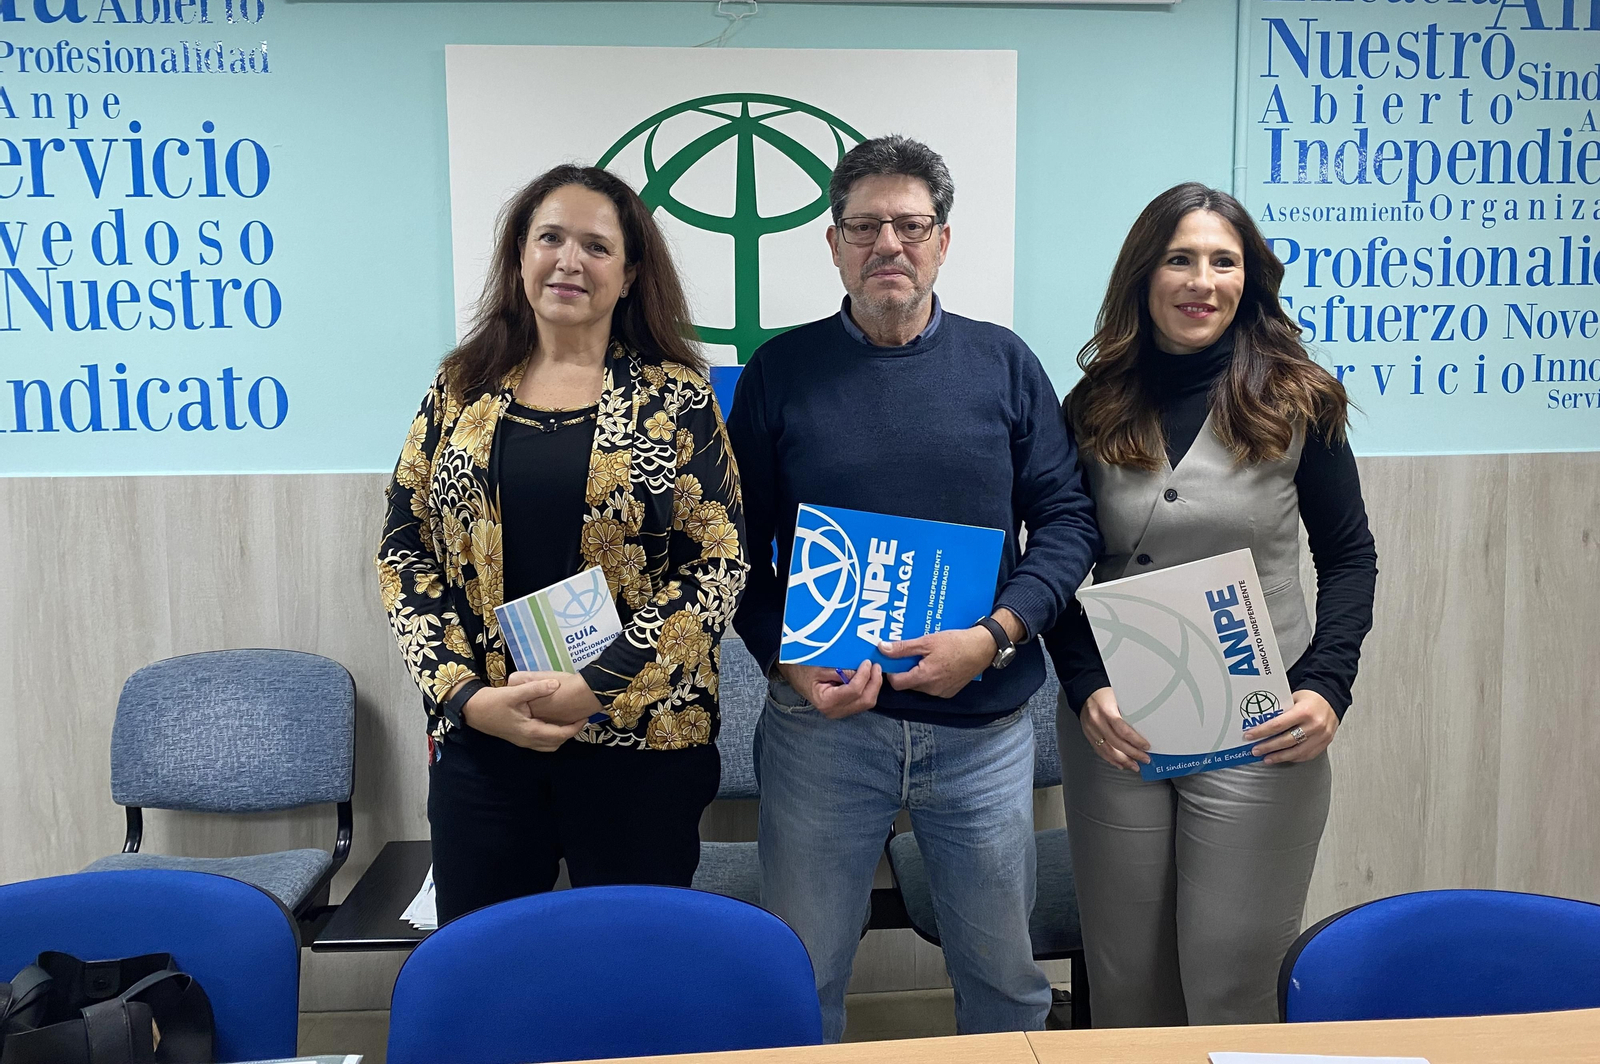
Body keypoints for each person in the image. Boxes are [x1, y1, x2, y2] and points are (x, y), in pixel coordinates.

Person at [726, 136, 1102, 1041]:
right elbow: (732, 553)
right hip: (826, 728)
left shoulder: (1004, 364)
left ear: (942, 240)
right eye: (864, 225)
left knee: (1005, 983)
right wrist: (791, 664)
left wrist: (998, 634)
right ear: (832, 243)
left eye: (909, 223)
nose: (887, 243)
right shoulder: (780, 372)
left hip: (981, 732)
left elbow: (1067, 524)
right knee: (799, 976)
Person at [377, 164, 748, 924]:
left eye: (596, 246)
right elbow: (403, 550)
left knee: (632, 971)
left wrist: (599, 682)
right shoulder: (460, 388)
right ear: (520, 255)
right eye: (550, 237)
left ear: (630, 270)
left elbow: (718, 564)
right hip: (487, 742)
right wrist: (468, 698)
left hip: (643, 744)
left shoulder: (676, 395)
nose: (569, 261)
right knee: (486, 969)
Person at [1045, 182, 1378, 1026]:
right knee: (1127, 981)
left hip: (1260, 722)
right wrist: (1086, 686)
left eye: (1223, 262)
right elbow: (1054, 557)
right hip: (1121, 721)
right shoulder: (1091, 405)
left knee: (1235, 978)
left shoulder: (1302, 398)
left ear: (1250, 279)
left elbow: (1349, 557)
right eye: (1180, 258)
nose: (1203, 280)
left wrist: (1327, 688)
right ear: (1144, 276)